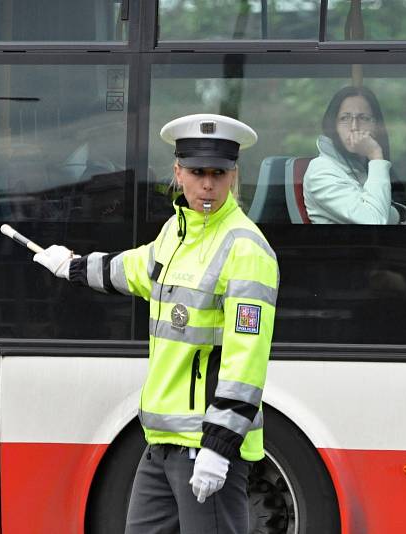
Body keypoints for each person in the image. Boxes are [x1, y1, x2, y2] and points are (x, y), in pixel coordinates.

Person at [30, 114, 278, 533]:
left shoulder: (246, 248)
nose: (208, 185)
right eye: (198, 172)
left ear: (234, 176)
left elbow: (245, 361)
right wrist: (72, 266)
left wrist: (219, 446)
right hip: (161, 440)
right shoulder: (176, 233)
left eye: (219, 173)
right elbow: (134, 268)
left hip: (204, 444)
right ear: (178, 172)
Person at [304, 85, 406, 224]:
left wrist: (394, 212)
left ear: (376, 126)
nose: (354, 127)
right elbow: (375, 221)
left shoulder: (363, 164)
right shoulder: (321, 170)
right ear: (333, 126)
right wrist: (375, 154)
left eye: (364, 118)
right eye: (345, 118)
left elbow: (398, 207)